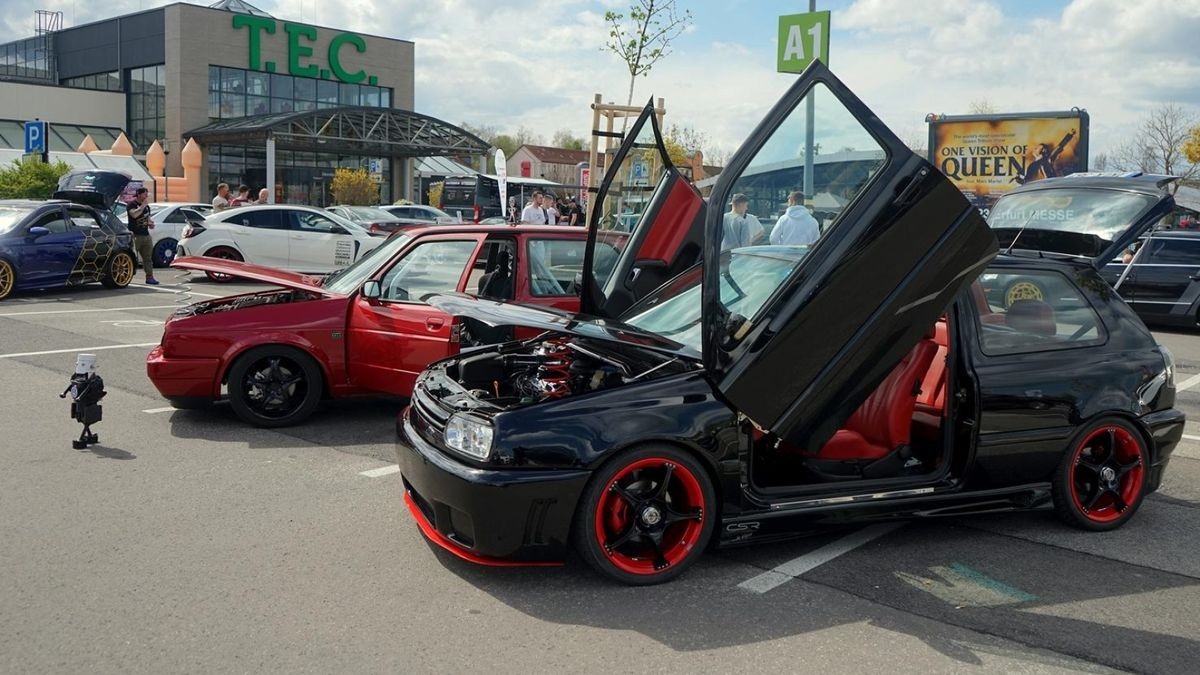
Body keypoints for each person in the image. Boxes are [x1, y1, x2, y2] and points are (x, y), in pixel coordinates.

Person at [125, 187, 158, 285]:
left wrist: (150, 223)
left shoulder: (147, 207)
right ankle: (126, 276)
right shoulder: (131, 205)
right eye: (144, 194)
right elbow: (134, 215)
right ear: (139, 194)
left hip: (146, 235)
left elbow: (147, 217)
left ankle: (149, 277)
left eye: (147, 194)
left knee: (148, 258)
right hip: (135, 236)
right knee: (132, 258)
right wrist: (142, 206)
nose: (146, 196)